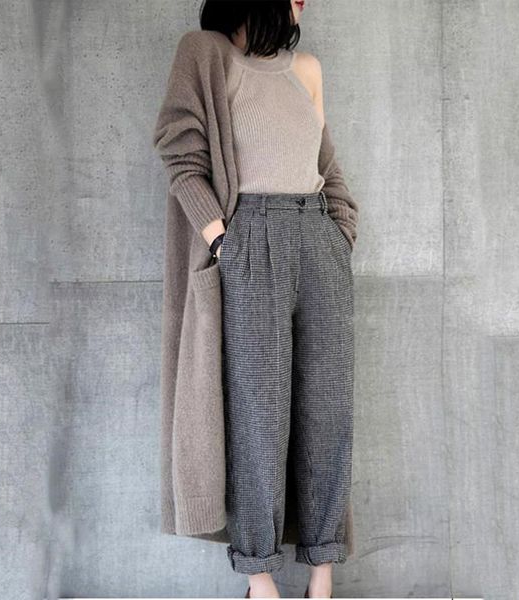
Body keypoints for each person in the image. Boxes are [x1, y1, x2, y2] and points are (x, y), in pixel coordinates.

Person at [156, 1, 359, 597]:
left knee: (328, 414)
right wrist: (223, 241)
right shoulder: (206, 54)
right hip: (250, 240)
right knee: (258, 418)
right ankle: (260, 579)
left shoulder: (308, 69)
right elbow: (180, 153)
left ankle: (322, 576)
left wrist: (341, 231)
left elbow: (326, 164)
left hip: (318, 238)